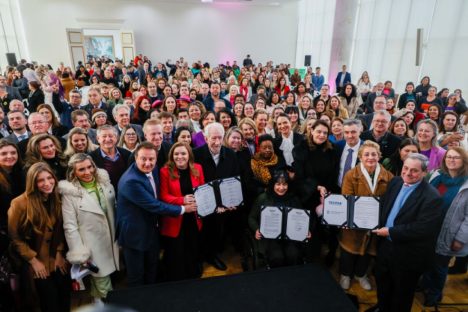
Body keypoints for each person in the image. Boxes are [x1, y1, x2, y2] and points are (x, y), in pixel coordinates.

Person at [116, 142, 197, 287]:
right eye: (143, 159)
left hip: (151, 229)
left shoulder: (153, 170)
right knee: (137, 275)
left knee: (152, 268)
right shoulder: (131, 181)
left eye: (151, 159)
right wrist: (183, 209)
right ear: (135, 157)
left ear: (156, 158)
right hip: (134, 234)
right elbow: (154, 205)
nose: (148, 163)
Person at [372, 153, 443, 312]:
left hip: (408, 255)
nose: (408, 173)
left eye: (414, 171)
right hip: (385, 248)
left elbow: (422, 229)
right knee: (383, 285)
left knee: (402, 295)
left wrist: (390, 231)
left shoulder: (432, 197)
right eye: (405, 168)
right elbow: (383, 205)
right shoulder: (395, 182)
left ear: (425, 172)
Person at [8, 162, 70, 312]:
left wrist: (59, 253)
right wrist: (33, 260)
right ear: (32, 182)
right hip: (36, 261)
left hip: (56, 258)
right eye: (40, 180)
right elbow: (15, 237)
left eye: (50, 178)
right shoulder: (19, 203)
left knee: (65, 300)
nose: (47, 183)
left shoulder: (57, 198)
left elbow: (61, 229)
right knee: (50, 303)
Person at [59, 153, 119, 303]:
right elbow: (70, 226)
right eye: (81, 170)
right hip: (92, 246)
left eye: (89, 167)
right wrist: (80, 252)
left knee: (107, 278)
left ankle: (97, 303)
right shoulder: (69, 194)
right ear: (74, 172)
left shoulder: (106, 184)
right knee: (103, 281)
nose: (87, 172)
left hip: (112, 242)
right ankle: (107, 305)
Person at [339, 141, 393, 291]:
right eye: (366, 154)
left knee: (368, 252)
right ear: (360, 157)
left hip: (376, 222)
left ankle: (360, 275)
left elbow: (390, 201)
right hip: (354, 222)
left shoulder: (388, 176)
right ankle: (345, 274)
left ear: (379, 156)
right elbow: (347, 198)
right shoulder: (351, 175)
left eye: (374, 154)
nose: (370, 157)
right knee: (348, 251)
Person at [422, 147, 468, 306]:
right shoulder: (437, 176)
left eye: (456, 158)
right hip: (428, 228)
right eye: (449, 157)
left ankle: (435, 293)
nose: (451, 160)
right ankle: (426, 285)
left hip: (449, 232)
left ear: (464, 161)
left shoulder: (466, 183)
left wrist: (460, 238)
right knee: (427, 260)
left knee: (440, 266)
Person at [193, 123, 240, 271]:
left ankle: (212, 255)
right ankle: (199, 257)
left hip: (223, 203)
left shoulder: (231, 154)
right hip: (202, 203)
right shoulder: (196, 154)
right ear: (206, 138)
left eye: (220, 138)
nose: (217, 142)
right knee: (200, 231)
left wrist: (232, 202)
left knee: (217, 231)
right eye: (213, 138)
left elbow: (234, 179)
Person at [159, 142, 204, 281]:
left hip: (194, 216)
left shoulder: (198, 168)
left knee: (192, 246)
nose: (180, 156)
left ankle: (192, 274)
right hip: (175, 217)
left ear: (189, 155)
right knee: (176, 250)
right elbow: (163, 196)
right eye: (176, 154)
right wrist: (182, 200)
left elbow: (203, 190)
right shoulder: (165, 171)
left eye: (183, 153)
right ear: (172, 156)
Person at [248, 170, 310, 267]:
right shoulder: (263, 198)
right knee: (277, 257)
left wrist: (306, 230)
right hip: (270, 237)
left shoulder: (294, 199)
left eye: (284, 184)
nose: (281, 188)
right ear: (273, 184)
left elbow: (302, 219)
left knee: (293, 254)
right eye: (278, 184)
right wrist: (256, 229)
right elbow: (251, 218)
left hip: (290, 237)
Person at [0, 140, 25, 310]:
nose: (9, 156)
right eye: (3, 154)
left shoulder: (21, 173)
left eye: (13, 152)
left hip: (23, 230)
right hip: (3, 235)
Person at [89, 125, 131, 191]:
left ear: (116, 138)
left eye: (111, 136)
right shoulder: (91, 158)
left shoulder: (127, 154)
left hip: (126, 192)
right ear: (98, 139)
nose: (108, 139)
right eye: (104, 136)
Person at [336, 119, 364, 187]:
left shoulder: (366, 148)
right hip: (337, 189)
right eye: (346, 132)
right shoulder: (337, 146)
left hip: (358, 190)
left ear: (360, 132)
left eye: (353, 132)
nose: (350, 136)